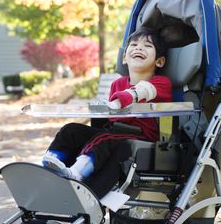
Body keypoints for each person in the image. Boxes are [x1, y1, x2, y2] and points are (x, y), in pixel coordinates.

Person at [42, 26, 172, 198]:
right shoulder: (117, 84)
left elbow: (142, 91)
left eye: (147, 46)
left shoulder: (161, 83)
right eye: (133, 45)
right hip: (115, 131)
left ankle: (77, 173)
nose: (139, 48)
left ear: (159, 61)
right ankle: (49, 165)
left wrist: (119, 101)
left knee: (105, 138)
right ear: (124, 57)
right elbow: (110, 118)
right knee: (71, 130)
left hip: (143, 137)